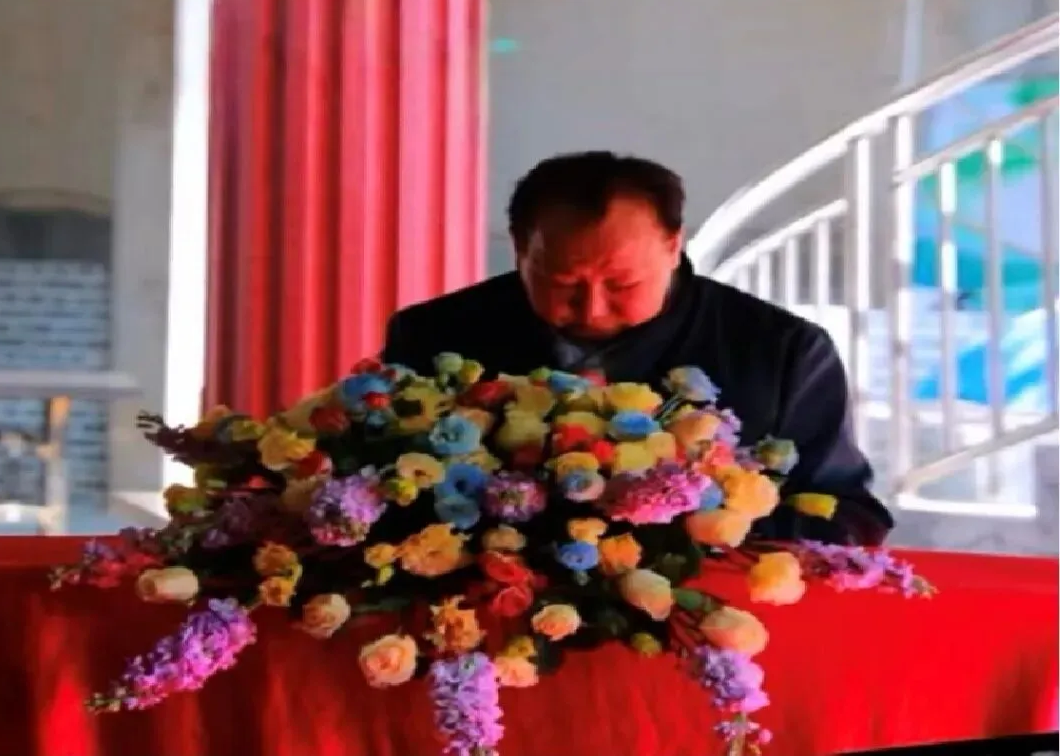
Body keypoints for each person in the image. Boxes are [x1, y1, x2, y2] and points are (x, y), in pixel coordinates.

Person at [381, 151, 893, 545]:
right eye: (563, 284)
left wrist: (694, 524)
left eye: (621, 284)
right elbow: (380, 491)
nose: (592, 309)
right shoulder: (435, 335)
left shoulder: (780, 352)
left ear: (673, 246)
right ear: (519, 249)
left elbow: (851, 518)